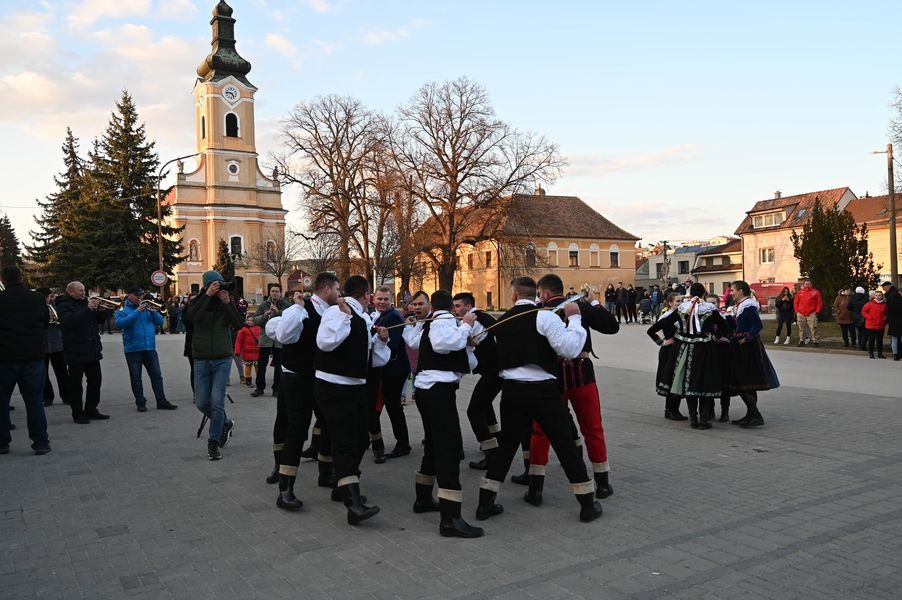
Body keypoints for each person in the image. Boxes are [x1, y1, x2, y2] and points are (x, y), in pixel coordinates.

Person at [476, 276, 603, 524]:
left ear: (513, 296)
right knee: (564, 443)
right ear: (535, 294)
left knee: (507, 447)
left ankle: (485, 502)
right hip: (542, 390)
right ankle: (587, 503)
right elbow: (568, 349)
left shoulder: (504, 320)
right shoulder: (544, 317)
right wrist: (575, 319)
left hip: (512, 390)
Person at [525, 274, 619, 505]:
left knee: (540, 431)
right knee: (593, 429)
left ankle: (536, 488)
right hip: (581, 372)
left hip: (550, 376)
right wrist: (594, 301)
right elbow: (611, 326)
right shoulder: (579, 307)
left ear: (545, 293)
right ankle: (603, 484)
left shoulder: (537, 313)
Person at [403, 290, 483, 537]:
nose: (462, 312)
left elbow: (463, 362)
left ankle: (423, 498)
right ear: (450, 306)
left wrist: (467, 344)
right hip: (437, 392)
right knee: (448, 450)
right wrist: (466, 327)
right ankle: (450, 518)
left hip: (430, 391)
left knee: (435, 446)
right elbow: (444, 344)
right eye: (458, 307)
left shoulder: (434, 323)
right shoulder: (445, 321)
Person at [314, 275, 390, 526]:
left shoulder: (363, 318)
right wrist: (345, 317)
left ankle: (343, 485)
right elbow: (325, 342)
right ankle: (353, 504)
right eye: (371, 296)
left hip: (355, 388)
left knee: (360, 439)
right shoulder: (339, 312)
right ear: (367, 295)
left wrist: (381, 341)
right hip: (335, 387)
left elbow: (373, 360)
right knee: (346, 443)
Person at [267, 273, 340, 505]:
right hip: (296, 379)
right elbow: (279, 333)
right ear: (327, 289)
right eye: (337, 290)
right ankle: (285, 487)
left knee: (328, 423)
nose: (339, 295)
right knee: (295, 429)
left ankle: (325, 474)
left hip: (319, 377)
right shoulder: (301, 308)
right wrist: (296, 311)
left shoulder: (331, 313)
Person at [652, 283, 727, 430]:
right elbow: (724, 326)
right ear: (704, 293)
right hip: (705, 349)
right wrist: (715, 336)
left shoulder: (682, 308)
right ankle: (704, 419)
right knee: (705, 381)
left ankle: (693, 419)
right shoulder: (710, 309)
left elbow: (658, 326)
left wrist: (663, 341)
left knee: (689, 383)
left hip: (685, 349)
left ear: (690, 293)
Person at [186, 271, 243, 460]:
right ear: (207, 285)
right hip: (201, 358)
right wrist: (207, 296)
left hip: (222, 358)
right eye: (214, 285)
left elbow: (238, 324)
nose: (218, 288)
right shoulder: (197, 301)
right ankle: (225, 423)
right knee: (202, 402)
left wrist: (228, 304)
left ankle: (213, 442)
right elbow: (192, 318)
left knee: (217, 402)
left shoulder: (225, 302)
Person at [0, 266, 51, 455]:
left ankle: (3, 443)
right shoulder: (37, 298)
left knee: (2, 401)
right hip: (33, 356)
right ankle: (40, 443)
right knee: (34, 401)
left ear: (4, 280)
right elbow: (45, 322)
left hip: (5, 357)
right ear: (21, 278)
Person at [451, 292, 502, 470]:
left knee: (474, 411)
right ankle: (496, 439)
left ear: (467, 306)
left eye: (457, 306)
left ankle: (491, 453)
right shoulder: (481, 316)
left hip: (495, 371)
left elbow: (468, 343)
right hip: (493, 370)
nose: (454, 310)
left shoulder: (475, 320)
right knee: (485, 405)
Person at [367, 285, 412, 463]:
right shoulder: (373, 314)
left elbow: (390, 345)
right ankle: (373, 439)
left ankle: (403, 444)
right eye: (379, 299)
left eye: (386, 299)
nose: (382, 302)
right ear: (373, 299)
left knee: (393, 406)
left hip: (394, 369)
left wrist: (379, 339)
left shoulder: (393, 317)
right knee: (376, 405)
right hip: (382, 369)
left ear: (391, 300)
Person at [115, 286, 178, 413]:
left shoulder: (148, 308)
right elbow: (120, 324)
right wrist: (138, 311)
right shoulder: (122, 308)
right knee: (136, 377)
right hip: (133, 349)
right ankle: (140, 402)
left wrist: (154, 311)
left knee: (157, 376)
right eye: (137, 295)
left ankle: (161, 401)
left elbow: (159, 322)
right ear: (130, 295)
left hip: (149, 347)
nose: (140, 297)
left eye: (142, 295)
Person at [56, 281, 110, 424]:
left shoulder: (85, 302)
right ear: (71, 292)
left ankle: (91, 409)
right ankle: (78, 413)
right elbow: (69, 322)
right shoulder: (63, 305)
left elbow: (97, 321)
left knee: (95, 381)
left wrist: (101, 311)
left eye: (83, 290)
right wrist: (87, 309)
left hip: (91, 349)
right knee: (75, 385)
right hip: (75, 350)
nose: (83, 293)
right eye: (80, 290)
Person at [727, 281, 779, 427]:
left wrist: (746, 338)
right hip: (741, 345)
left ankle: (755, 414)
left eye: (733, 290)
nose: (731, 293)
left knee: (745, 380)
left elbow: (757, 325)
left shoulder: (748, 305)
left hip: (748, 347)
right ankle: (751, 414)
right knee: (746, 382)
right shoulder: (741, 305)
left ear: (741, 291)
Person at [647, 291, 686, 421]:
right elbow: (651, 331)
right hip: (669, 351)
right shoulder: (667, 316)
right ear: (670, 303)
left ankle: (675, 409)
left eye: (682, 301)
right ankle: (669, 410)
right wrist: (663, 342)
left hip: (679, 350)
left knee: (677, 378)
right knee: (670, 379)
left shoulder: (682, 314)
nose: (680, 304)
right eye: (677, 301)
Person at [252, 283, 291, 397]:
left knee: (279, 365)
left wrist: (278, 312)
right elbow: (255, 319)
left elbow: (290, 318)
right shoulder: (264, 305)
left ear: (281, 293)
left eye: (276, 291)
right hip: (265, 339)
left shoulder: (286, 305)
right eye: (272, 291)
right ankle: (259, 388)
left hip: (279, 340)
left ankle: (277, 389)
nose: (274, 293)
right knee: (262, 364)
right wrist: (264, 316)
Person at [36, 288, 68, 408]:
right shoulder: (36, 308)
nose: (49, 299)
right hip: (42, 345)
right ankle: (47, 397)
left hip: (57, 344)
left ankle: (66, 396)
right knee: (43, 374)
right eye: (48, 297)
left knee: (62, 372)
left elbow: (63, 321)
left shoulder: (56, 306)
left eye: (49, 297)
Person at [793, 278, 822, 347]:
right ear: (804, 284)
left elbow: (819, 302)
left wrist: (817, 311)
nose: (807, 285)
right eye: (806, 284)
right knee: (801, 328)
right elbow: (796, 302)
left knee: (813, 327)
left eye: (809, 284)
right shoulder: (800, 292)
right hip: (800, 313)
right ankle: (802, 341)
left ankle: (815, 341)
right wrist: (796, 311)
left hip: (811, 313)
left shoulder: (816, 292)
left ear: (811, 284)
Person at [234, 314, 260, 387]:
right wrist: (237, 351)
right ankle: (248, 381)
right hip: (247, 353)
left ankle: (259, 380)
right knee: (248, 367)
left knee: (258, 368)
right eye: (248, 320)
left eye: (251, 320)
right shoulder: (243, 329)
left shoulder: (259, 328)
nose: (249, 322)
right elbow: (238, 341)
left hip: (258, 352)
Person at [861, 290, 888, 359]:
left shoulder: (884, 305)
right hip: (871, 325)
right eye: (876, 295)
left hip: (881, 325)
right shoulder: (869, 304)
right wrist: (869, 317)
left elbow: (886, 313)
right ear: (874, 296)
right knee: (871, 340)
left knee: (880, 340)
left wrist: (884, 319)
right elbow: (863, 311)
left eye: (879, 295)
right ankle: (871, 353)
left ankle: (880, 354)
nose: (878, 296)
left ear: (882, 296)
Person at [882, 281, 902, 361]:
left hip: (893, 320)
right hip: (896, 320)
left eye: (884, 287)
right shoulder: (893, 294)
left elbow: (889, 309)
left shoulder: (891, 296)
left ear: (888, 286)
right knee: (896, 338)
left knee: (894, 338)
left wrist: (887, 320)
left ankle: (896, 354)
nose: (884, 289)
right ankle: (897, 354)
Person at [848, 286, 869, 351]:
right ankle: (863, 346)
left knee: (859, 332)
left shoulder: (852, 298)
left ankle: (860, 345)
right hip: (863, 316)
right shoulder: (865, 298)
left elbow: (848, 307)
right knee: (864, 332)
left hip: (855, 317)